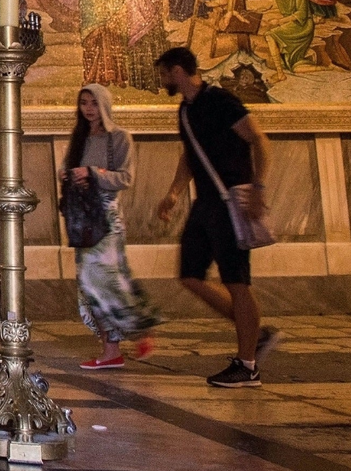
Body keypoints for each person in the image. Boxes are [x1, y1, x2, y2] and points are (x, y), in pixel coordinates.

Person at [154, 47, 280, 387]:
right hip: (205, 204)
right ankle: (255, 333)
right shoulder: (185, 110)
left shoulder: (221, 101)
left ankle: (247, 364)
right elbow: (189, 156)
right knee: (190, 275)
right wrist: (174, 193)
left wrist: (258, 188)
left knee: (236, 281)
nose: (163, 80)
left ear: (178, 71)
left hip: (231, 201)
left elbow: (259, 139)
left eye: (164, 73)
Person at [63, 84, 162, 369]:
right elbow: (71, 167)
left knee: (106, 279)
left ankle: (133, 332)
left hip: (106, 218)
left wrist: (93, 174)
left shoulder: (119, 138)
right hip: (84, 217)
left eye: (93, 103)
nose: (88, 109)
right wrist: (70, 176)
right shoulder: (80, 137)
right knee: (90, 283)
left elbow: (125, 178)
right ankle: (114, 347)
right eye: (84, 103)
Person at [260, 0, 316, 80]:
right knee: (296, 67)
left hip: (303, 25)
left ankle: (280, 74)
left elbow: (301, 13)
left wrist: (279, 22)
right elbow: (285, 12)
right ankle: (328, 68)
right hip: (291, 24)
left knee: (270, 35)